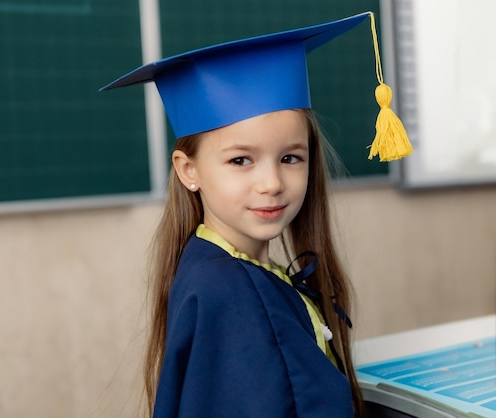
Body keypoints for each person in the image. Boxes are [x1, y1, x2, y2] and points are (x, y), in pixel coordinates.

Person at [101, 11, 411, 418]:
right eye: (241, 160)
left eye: (289, 157)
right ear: (188, 170)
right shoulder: (234, 293)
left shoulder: (224, 269)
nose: (272, 183)